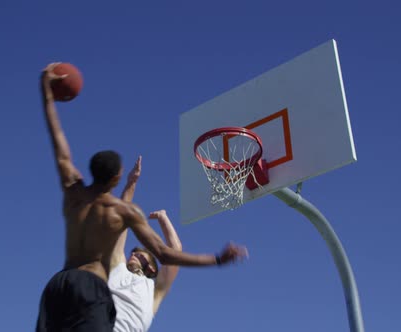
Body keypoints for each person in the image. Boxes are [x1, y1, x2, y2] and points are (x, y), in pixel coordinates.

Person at [35, 63, 249, 332]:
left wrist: (46, 93)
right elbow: (164, 253)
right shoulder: (121, 214)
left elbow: (59, 144)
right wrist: (216, 259)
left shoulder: (72, 191)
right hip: (88, 288)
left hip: (58, 287)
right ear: (115, 179)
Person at [108, 157, 183, 332]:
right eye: (132, 253)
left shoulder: (155, 290)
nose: (133, 254)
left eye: (140, 255)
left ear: (152, 267)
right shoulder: (117, 268)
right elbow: (122, 219)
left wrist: (163, 218)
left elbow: (175, 252)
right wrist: (131, 182)